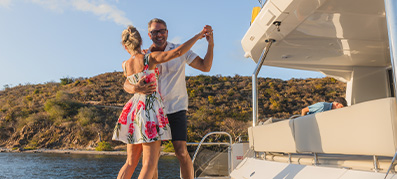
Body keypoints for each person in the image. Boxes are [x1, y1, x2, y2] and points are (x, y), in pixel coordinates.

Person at [113, 25, 210, 179]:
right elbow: (177, 52)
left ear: (125, 46)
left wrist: (135, 87)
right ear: (141, 41)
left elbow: (126, 84)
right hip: (149, 111)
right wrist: (198, 36)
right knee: (149, 164)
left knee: (130, 162)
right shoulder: (149, 58)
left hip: (133, 110)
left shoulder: (125, 65)